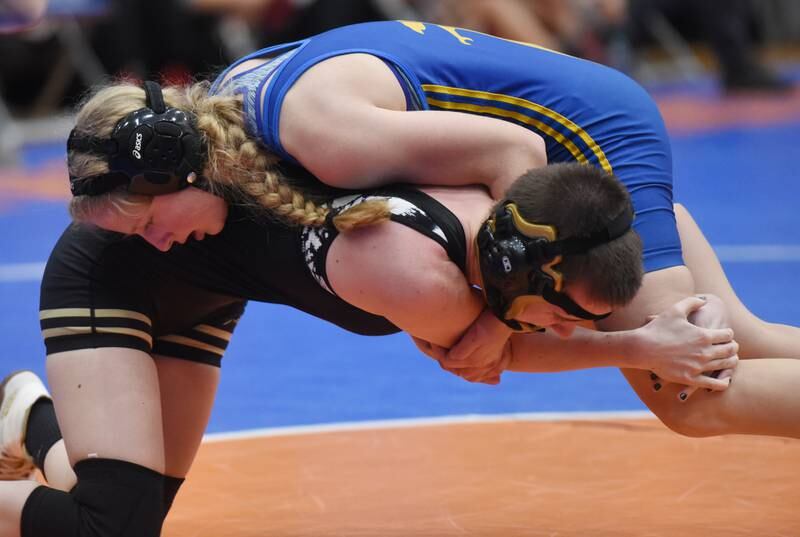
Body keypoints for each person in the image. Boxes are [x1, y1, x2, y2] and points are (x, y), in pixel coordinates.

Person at [0, 20, 792, 537]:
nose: (159, 244)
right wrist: (521, 324)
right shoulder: (237, 138)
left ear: (187, 174)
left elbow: (514, 156)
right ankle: (35, 419)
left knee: (691, 392)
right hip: (570, 121)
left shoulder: (327, 145)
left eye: (149, 223)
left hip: (580, 130)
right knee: (734, 340)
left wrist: (498, 323)